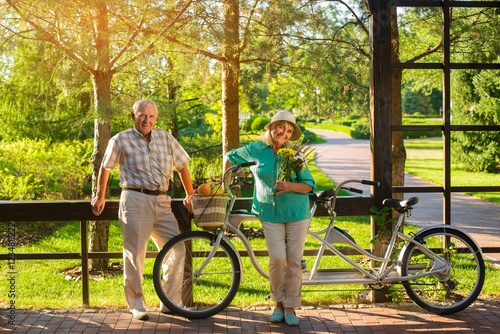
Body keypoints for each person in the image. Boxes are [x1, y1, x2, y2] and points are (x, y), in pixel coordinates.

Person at [91, 99, 195, 320]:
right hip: (135, 199)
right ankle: (137, 303)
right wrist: (100, 196)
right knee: (135, 254)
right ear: (133, 116)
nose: (147, 120)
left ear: (155, 118)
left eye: (151, 116)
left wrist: (190, 194)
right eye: (142, 115)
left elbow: (183, 165)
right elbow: (105, 167)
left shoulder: (165, 138)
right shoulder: (120, 139)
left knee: (176, 249)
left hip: (162, 201)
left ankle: (170, 302)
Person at [224, 110, 316, 326]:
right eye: (281, 128)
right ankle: (278, 304)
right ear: (271, 127)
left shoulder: (295, 155)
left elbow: (310, 185)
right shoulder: (256, 149)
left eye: (289, 130)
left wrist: (290, 186)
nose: (284, 133)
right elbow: (230, 156)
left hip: (296, 213)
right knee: (276, 259)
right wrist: (224, 185)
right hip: (269, 212)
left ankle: (291, 306)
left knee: (293, 260)